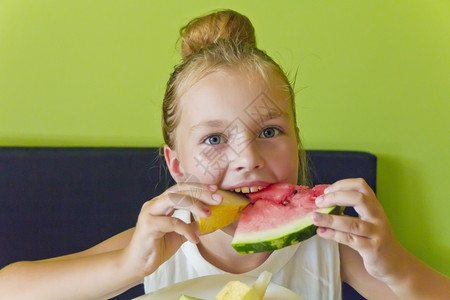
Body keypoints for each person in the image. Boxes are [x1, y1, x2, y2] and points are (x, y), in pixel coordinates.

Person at [0, 9, 448, 300]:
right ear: (177, 166)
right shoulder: (161, 246)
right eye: (214, 139)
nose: (247, 157)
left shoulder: (331, 247)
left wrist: (398, 268)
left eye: (269, 130)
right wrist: (126, 266)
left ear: (297, 143)